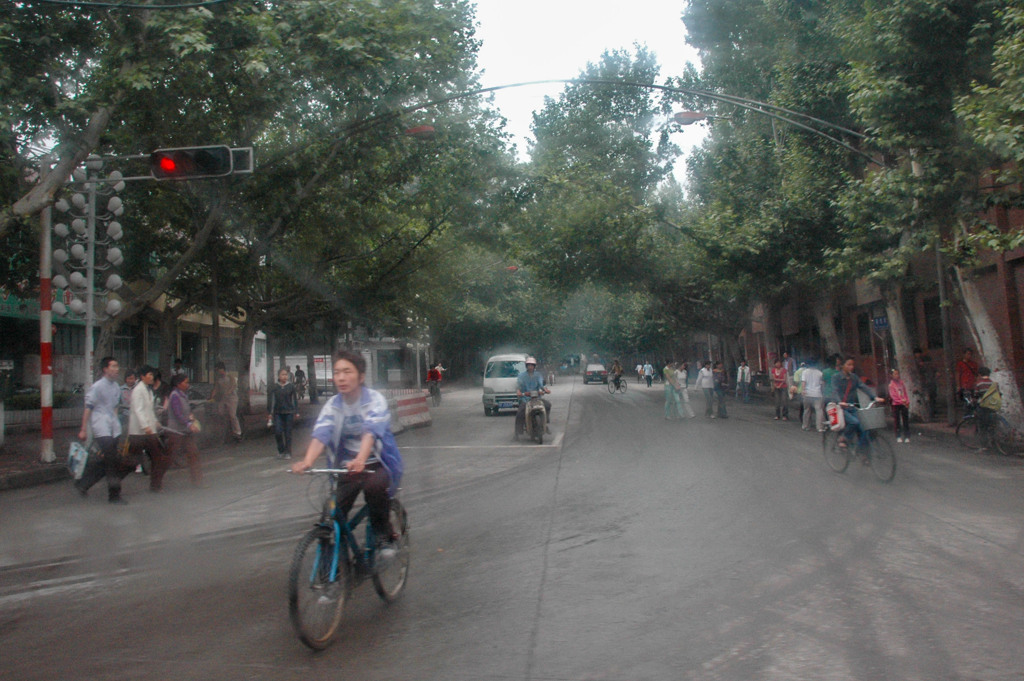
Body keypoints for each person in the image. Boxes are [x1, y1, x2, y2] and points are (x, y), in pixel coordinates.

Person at [293, 351, 403, 555]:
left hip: (378, 463)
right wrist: (307, 461)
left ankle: (383, 537)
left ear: (361, 377)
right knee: (333, 512)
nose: (341, 378)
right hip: (348, 467)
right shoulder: (333, 406)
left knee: (374, 489)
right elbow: (321, 433)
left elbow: (371, 431)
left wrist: (361, 459)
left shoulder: (374, 400)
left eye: (347, 372)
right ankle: (333, 564)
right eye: (337, 372)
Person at [75, 357, 129, 504]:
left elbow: (115, 407)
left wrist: (116, 421)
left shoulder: (116, 386)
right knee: (112, 461)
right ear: (105, 369)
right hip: (101, 427)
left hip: (113, 428)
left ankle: (83, 483)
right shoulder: (98, 386)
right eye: (113, 366)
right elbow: (89, 407)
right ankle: (114, 495)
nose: (116, 369)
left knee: (109, 459)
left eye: (117, 366)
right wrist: (83, 429)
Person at [829, 356, 886, 450]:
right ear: (843, 365)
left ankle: (861, 450)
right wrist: (840, 402)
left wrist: (874, 397)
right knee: (854, 422)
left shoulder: (854, 378)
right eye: (849, 364)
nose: (851, 367)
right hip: (840, 408)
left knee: (865, 427)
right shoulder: (836, 377)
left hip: (852, 406)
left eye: (852, 365)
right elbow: (835, 391)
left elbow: (863, 387)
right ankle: (843, 438)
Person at [129, 365, 169, 492]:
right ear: (142, 377)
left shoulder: (148, 390)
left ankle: (156, 485)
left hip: (148, 432)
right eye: (149, 375)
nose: (152, 377)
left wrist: (155, 422)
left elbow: (149, 411)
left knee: (159, 457)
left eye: (152, 375)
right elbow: (138, 410)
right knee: (130, 463)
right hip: (139, 433)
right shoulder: (138, 390)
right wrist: (145, 426)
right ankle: (114, 482)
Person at [165, 373, 204, 486]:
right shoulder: (174, 396)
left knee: (194, 454)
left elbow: (186, 411)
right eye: (185, 382)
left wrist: (191, 418)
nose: (188, 385)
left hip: (186, 431)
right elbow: (178, 414)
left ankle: (197, 481)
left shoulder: (183, 395)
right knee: (169, 456)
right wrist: (188, 423)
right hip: (176, 431)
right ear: (178, 384)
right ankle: (156, 482)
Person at [515, 357, 551, 436]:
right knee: (520, 412)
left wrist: (545, 390)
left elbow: (542, 384)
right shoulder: (521, 376)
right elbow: (518, 386)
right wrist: (519, 392)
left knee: (548, 405)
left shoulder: (538, 375)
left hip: (537, 398)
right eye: (528, 365)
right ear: (526, 366)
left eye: (532, 365)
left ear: (534, 366)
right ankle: (517, 432)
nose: (530, 367)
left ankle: (545, 422)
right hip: (525, 399)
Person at [268, 367, 299, 459]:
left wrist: (296, 411)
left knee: (288, 433)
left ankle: (288, 452)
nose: (285, 376)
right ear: (278, 376)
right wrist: (270, 413)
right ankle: (281, 450)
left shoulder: (291, 387)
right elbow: (272, 401)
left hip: (289, 412)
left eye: (286, 375)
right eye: (283, 375)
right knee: (278, 432)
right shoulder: (275, 387)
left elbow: (294, 400)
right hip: (278, 413)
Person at [210, 361, 242, 442]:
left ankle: (237, 432)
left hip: (232, 398)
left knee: (232, 415)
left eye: (218, 370)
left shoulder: (230, 377)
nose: (217, 372)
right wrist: (212, 396)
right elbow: (216, 388)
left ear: (222, 369)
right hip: (223, 398)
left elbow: (233, 386)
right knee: (220, 412)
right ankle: (226, 429)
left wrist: (228, 392)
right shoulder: (218, 379)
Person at [973, 367, 1002, 450]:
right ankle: (994, 443)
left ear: (980, 374)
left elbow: (976, 396)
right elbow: (999, 394)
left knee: (982, 427)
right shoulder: (994, 384)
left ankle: (984, 446)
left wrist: (973, 402)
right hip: (993, 407)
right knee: (992, 425)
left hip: (984, 408)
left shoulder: (979, 384)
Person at [800, 361, 825, 432]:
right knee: (819, 410)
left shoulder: (805, 372)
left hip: (807, 393)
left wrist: (803, 390)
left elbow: (803, 382)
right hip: (817, 393)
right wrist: (822, 392)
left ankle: (806, 426)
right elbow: (822, 384)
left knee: (807, 409)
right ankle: (819, 427)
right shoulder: (820, 373)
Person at [913, 347, 937, 420]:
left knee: (930, 399)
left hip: (928, 382)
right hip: (923, 383)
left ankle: (931, 414)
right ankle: (928, 415)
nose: (918, 355)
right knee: (926, 400)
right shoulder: (915, 364)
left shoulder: (926, 363)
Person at [888, 368, 911, 443]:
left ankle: (907, 436)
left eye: (897, 374)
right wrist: (901, 401)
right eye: (895, 374)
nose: (897, 376)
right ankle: (898, 436)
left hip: (904, 403)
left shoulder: (901, 383)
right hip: (896, 404)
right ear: (891, 375)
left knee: (905, 420)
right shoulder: (891, 385)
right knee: (897, 420)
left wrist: (907, 401)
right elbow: (893, 396)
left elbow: (905, 393)